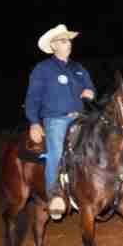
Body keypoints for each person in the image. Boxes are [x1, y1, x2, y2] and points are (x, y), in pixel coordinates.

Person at [25, 24, 96, 219]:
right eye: (64, 40)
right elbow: (32, 98)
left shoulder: (79, 68)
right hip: (56, 120)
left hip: (81, 118)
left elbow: (91, 90)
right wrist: (34, 122)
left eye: (69, 40)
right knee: (56, 153)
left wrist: (90, 93)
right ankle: (54, 196)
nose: (69, 43)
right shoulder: (43, 69)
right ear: (54, 45)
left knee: (100, 141)